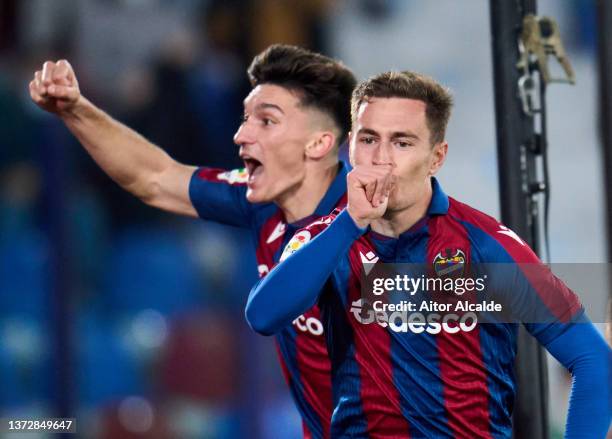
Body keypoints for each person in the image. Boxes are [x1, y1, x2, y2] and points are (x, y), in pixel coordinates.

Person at [246, 71, 611, 437]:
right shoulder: (323, 239)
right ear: (350, 148)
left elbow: (593, 360)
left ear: (437, 157)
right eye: (369, 139)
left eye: (402, 143)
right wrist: (350, 223)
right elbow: (263, 315)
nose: (382, 158)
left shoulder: (486, 248)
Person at [29, 44, 356, 438]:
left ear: (317, 144)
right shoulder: (261, 200)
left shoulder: (393, 231)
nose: (241, 135)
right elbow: (154, 177)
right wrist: (76, 109)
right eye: (246, 119)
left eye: (266, 122)